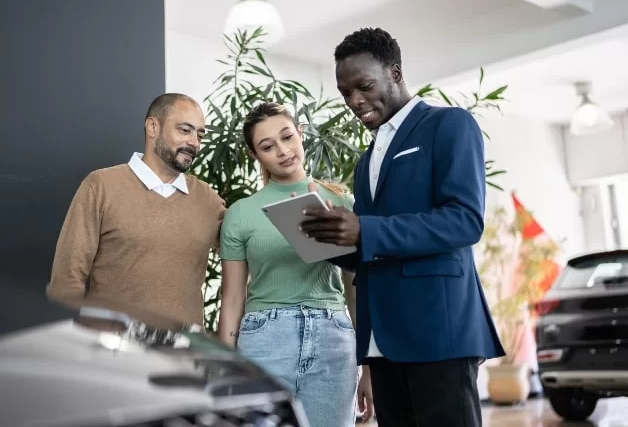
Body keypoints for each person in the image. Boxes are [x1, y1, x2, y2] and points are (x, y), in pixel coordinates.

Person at [300, 28, 505, 426]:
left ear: (395, 73)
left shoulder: (449, 125)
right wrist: (328, 240)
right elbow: (376, 249)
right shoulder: (366, 161)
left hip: (437, 331)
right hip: (383, 339)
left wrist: (365, 230)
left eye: (364, 86)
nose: (354, 101)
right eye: (345, 93)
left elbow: (465, 220)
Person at [217, 102, 374, 427]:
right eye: (267, 146)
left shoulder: (341, 203)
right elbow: (232, 298)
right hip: (264, 339)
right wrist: (224, 365)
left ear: (301, 134)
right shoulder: (241, 213)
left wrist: (369, 366)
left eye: (288, 137)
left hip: (334, 337)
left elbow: (358, 290)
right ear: (254, 155)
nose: (283, 151)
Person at [47, 93, 226, 326]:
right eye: (185, 130)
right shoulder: (101, 186)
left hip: (183, 355)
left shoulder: (208, 199)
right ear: (153, 127)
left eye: (199, 134)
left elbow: (252, 246)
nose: (194, 142)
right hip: (116, 354)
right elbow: (66, 280)